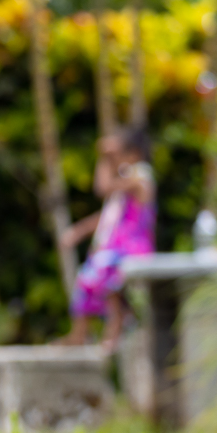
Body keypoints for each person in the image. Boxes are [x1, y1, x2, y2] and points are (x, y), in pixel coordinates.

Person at [62, 127, 156, 353]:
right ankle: (81, 335)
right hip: (119, 247)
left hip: (131, 248)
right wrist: (80, 231)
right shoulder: (130, 180)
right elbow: (108, 215)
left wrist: (104, 159)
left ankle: (109, 335)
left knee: (103, 276)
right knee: (93, 276)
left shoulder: (141, 177)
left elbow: (102, 188)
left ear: (133, 154)